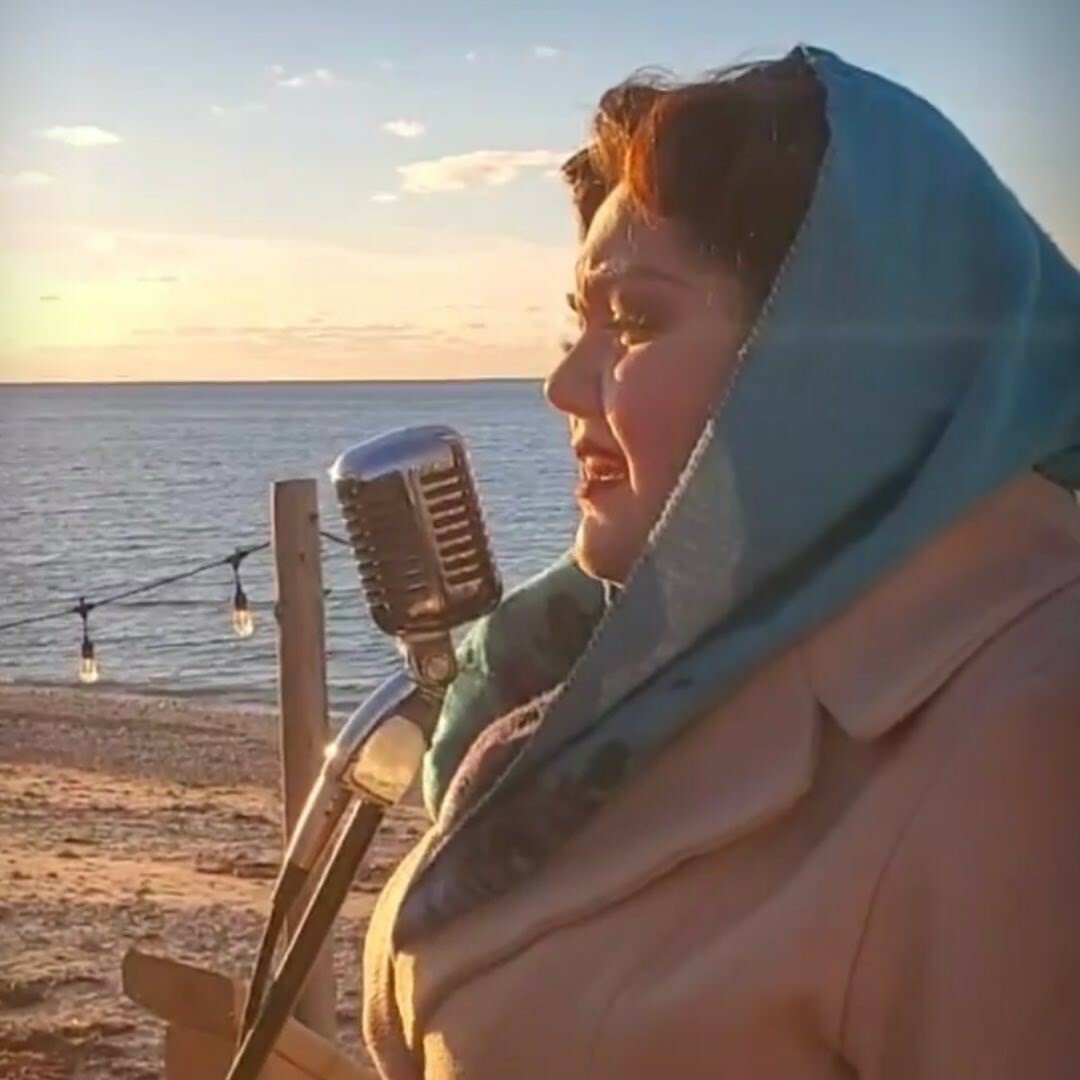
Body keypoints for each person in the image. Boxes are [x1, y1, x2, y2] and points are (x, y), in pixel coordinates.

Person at [362, 45, 1080, 1079]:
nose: (565, 385)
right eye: (581, 323)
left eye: (637, 320)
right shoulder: (621, 664)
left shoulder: (1030, 734)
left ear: (829, 353)